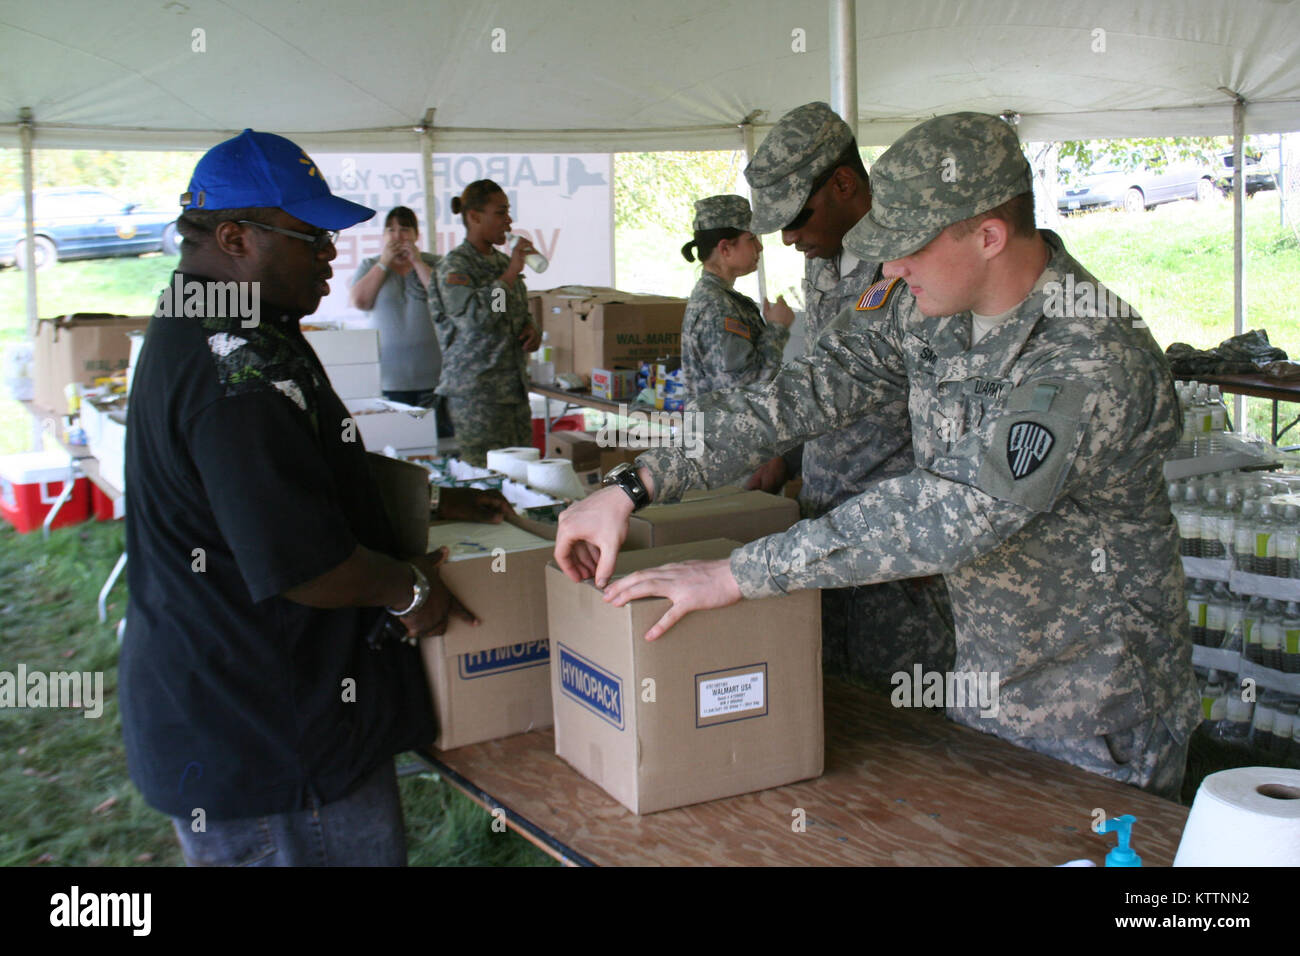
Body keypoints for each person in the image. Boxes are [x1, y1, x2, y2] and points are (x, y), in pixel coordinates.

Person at [555, 112, 1201, 799]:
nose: (890, 267)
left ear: (988, 236)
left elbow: (953, 512)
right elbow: (797, 396)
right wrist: (637, 482)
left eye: (908, 248)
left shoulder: (1090, 355)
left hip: (1097, 714)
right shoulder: (924, 307)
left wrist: (738, 574)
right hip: (984, 686)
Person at [121, 129, 508, 867]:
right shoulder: (233, 371)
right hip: (270, 740)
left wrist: (426, 508)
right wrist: (408, 589)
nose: (332, 252)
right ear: (234, 237)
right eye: (310, 236)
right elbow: (303, 562)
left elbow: (288, 485)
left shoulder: (235, 324)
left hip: (255, 711)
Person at [743, 101, 954, 685]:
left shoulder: (917, 263)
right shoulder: (824, 260)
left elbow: (960, 412)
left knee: (907, 726)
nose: (788, 238)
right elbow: (823, 376)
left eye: (798, 216)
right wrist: (782, 455)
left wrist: (931, 538)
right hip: (825, 527)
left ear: (843, 183)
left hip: (898, 549)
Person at [433, 179, 542, 466]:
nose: (509, 220)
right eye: (501, 212)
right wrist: (508, 276)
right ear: (474, 217)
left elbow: (515, 311)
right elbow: (475, 320)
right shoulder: (455, 267)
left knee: (525, 477)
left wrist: (532, 330)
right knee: (486, 479)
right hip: (478, 397)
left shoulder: (500, 263)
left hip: (512, 393)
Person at [348, 206, 452, 436]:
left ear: (416, 235)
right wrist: (384, 263)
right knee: (396, 440)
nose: (397, 236)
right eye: (391, 230)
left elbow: (446, 300)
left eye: (404, 229)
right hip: (388, 378)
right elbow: (359, 301)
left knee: (433, 440)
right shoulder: (370, 265)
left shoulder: (436, 263)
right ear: (384, 236)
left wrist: (416, 262)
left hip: (432, 376)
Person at [678, 194, 793, 399]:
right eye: (751, 239)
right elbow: (747, 387)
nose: (759, 247)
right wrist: (777, 329)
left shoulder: (719, 298)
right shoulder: (716, 307)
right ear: (725, 248)